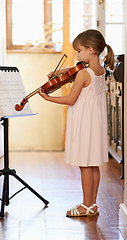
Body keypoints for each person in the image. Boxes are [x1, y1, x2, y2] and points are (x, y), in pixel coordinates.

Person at [39, 29, 115, 217]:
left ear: (90, 50)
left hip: (84, 124)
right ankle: (92, 204)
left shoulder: (83, 74)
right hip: (95, 124)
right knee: (93, 164)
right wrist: (64, 71)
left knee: (84, 165)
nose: (77, 55)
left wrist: (48, 98)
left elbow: (71, 99)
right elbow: (75, 74)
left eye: (79, 51)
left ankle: (85, 205)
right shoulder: (100, 71)